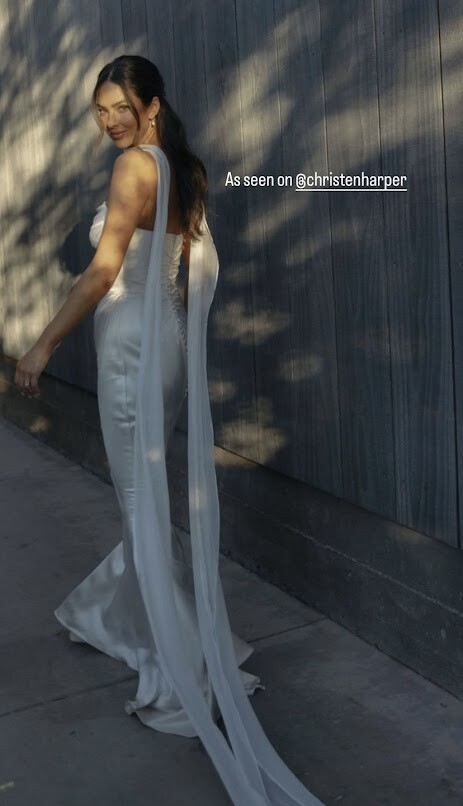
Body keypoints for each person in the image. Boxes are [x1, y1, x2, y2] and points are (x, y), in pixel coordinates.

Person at [14, 55, 324, 805]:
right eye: (100, 111)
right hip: (166, 346)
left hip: (131, 349)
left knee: (138, 504)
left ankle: (185, 673)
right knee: (144, 501)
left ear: (151, 105)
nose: (109, 121)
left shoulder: (133, 168)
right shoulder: (183, 168)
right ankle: (130, 619)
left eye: (120, 106)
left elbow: (102, 272)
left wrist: (42, 344)